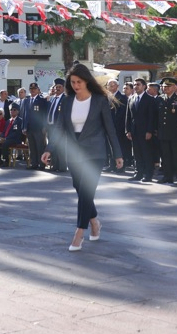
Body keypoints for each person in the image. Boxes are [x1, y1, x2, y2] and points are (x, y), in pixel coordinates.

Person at [42, 63, 123, 252]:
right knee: (80, 189)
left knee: (86, 192)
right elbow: (60, 128)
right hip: (74, 152)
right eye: (73, 82)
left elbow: (110, 129)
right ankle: (94, 221)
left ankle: (79, 233)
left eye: (79, 82)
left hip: (95, 152)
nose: (76, 85)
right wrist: (49, 149)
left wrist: (117, 154)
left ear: (86, 81)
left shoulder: (99, 100)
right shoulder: (67, 101)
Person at [156, 77, 177, 185]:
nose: (165, 88)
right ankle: (168, 176)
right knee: (166, 156)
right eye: (164, 86)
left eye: (168, 86)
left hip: (176, 132)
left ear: (175, 87)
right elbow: (157, 115)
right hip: (163, 132)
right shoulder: (160, 99)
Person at [126, 77, 156, 182]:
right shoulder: (131, 98)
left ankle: (148, 174)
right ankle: (138, 173)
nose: (136, 87)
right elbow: (128, 116)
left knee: (146, 153)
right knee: (136, 154)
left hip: (145, 131)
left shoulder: (150, 99)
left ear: (144, 86)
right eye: (134, 85)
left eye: (138, 84)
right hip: (134, 131)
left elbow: (152, 117)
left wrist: (150, 131)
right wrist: (127, 130)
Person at [23, 83, 47, 170]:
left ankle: (42, 164)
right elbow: (25, 114)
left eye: (34, 89)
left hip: (38, 127)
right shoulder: (27, 100)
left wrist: (44, 126)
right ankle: (34, 163)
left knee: (40, 146)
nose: (33, 90)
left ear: (38, 90)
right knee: (32, 147)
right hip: (29, 127)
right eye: (31, 89)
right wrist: (24, 126)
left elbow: (44, 114)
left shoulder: (42, 100)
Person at [45, 78, 67, 172]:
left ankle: (62, 166)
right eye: (56, 87)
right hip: (50, 126)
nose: (57, 88)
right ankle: (55, 165)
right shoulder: (52, 98)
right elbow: (49, 112)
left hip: (60, 127)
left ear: (63, 88)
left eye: (59, 87)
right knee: (52, 147)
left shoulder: (65, 99)